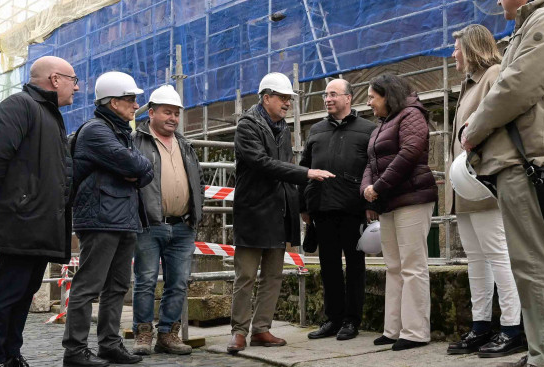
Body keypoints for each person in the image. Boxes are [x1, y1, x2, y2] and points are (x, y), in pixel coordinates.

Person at [461, 0, 544, 367]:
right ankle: (539, 354)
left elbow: (513, 89)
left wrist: (473, 131)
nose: (498, 1)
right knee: (527, 267)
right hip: (520, 163)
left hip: (529, 162)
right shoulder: (533, 25)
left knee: (533, 267)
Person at [0, 55, 79, 367]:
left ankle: (10, 354)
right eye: (73, 80)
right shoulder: (20, 105)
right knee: (8, 292)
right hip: (22, 219)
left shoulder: (49, 114)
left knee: (24, 292)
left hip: (40, 222)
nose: (77, 86)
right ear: (55, 79)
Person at [226, 72, 335, 354]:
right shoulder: (247, 126)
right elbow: (263, 164)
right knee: (246, 276)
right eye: (283, 98)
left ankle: (261, 329)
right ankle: (238, 332)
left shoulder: (282, 127)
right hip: (253, 212)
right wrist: (306, 173)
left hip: (278, 212)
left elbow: (283, 167)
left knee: (273, 276)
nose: (288, 103)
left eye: (289, 99)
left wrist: (299, 206)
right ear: (266, 98)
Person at [445, 25, 526, 358]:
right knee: (476, 261)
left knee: (498, 256)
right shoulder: (468, 84)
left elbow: (498, 127)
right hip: (465, 187)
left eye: (456, 48)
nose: (453, 54)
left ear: (471, 47)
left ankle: (512, 329)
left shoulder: (494, 75)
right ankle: (481, 327)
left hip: (484, 184)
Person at [63, 71, 154, 367]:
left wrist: (134, 169)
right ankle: (75, 351)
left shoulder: (119, 132)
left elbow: (146, 170)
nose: (135, 104)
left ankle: (110, 345)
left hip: (123, 218)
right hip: (100, 219)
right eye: (130, 99)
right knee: (88, 286)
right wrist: (132, 169)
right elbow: (134, 163)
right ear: (113, 102)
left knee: (116, 287)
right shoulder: (96, 131)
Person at [361, 73, 437, 352]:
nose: (369, 103)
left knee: (412, 265)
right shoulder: (383, 122)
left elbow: (410, 152)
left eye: (372, 97)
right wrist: (367, 189)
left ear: (387, 95)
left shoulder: (411, 115)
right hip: (389, 200)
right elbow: (370, 161)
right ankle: (393, 329)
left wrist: (377, 187)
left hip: (412, 198)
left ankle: (416, 331)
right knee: (393, 266)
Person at [300, 79, 376, 341]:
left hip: (353, 209)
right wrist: (304, 205)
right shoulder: (316, 130)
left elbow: (373, 169)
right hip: (322, 208)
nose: (327, 99)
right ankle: (333, 319)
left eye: (333, 94)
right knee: (328, 266)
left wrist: (370, 206)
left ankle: (352, 321)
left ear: (348, 98)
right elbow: (304, 167)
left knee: (355, 266)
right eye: (325, 94)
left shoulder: (368, 129)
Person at [130, 85, 202, 356]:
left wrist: (196, 214)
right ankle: (143, 334)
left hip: (182, 225)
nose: (173, 118)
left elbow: (199, 181)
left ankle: (168, 335)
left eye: (176, 113)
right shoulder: (136, 141)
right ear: (151, 113)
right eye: (167, 112)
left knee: (179, 282)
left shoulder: (185, 144)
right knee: (146, 280)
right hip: (149, 225)